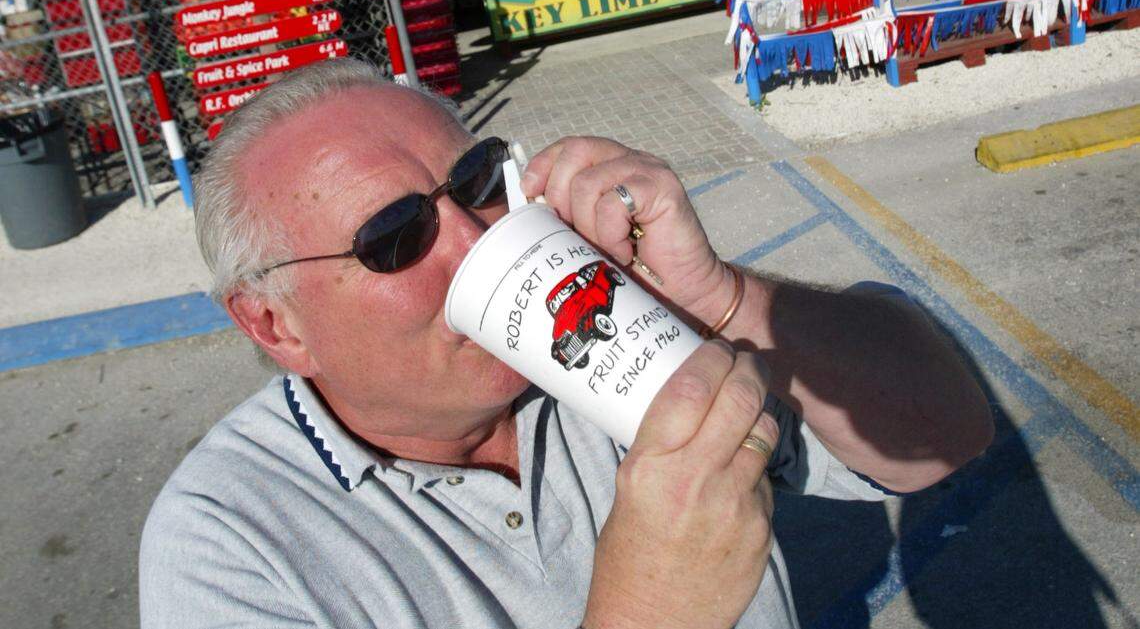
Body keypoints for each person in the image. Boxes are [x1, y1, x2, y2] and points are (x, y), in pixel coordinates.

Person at [139, 59, 993, 629]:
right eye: (393, 236)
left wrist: (716, 294)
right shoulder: (230, 544)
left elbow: (946, 431)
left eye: (475, 182)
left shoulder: (597, 325)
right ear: (275, 324)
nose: (474, 243)